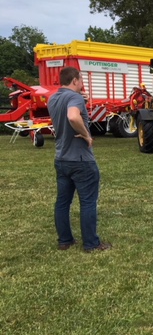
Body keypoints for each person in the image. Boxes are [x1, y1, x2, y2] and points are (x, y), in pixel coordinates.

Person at [47, 67, 111, 253]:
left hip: (61, 157)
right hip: (81, 159)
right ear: (74, 80)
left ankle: (65, 240)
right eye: (81, 79)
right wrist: (87, 135)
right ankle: (91, 244)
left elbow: (67, 112)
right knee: (88, 202)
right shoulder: (74, 98)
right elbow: (73, 117)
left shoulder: (53, 99)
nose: (82, 83)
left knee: (62, 202)